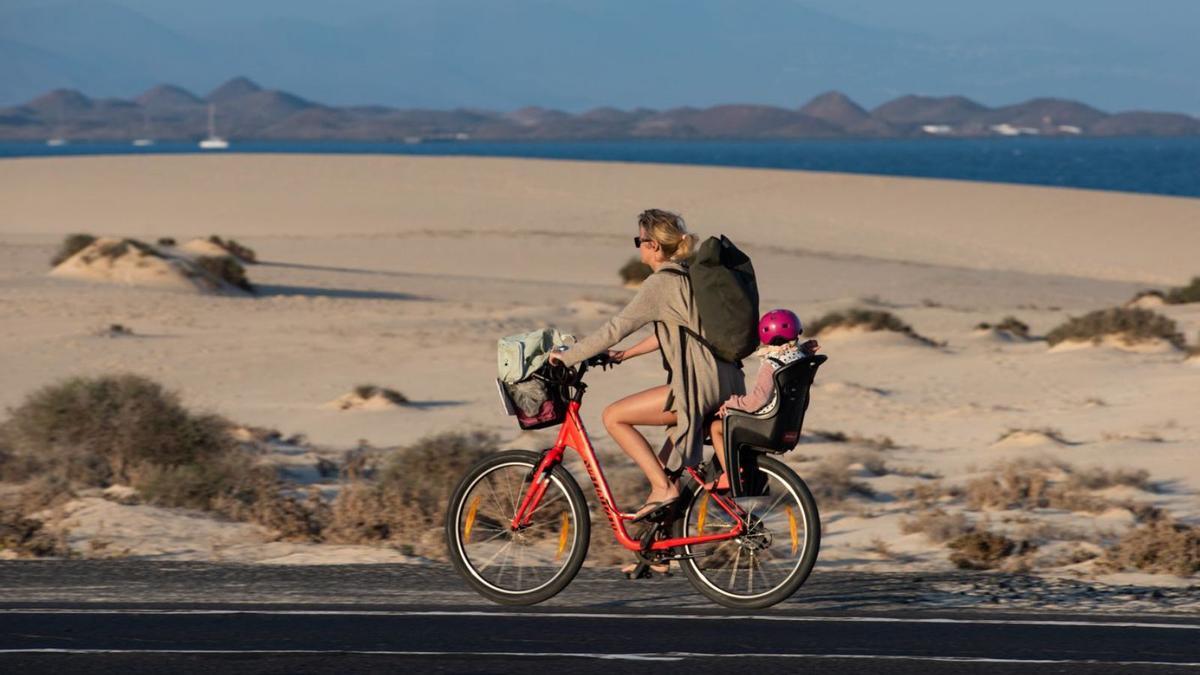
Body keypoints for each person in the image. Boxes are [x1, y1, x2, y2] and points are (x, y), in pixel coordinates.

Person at [548, 209, 745, 524]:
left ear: (653, 245)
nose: (638, 246)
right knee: (669, 465)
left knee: (614, 416)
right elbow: (677, 329)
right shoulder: (689, 274)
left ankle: (662, 489)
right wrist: (626, 355)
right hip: (728, 379)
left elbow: (615, 327)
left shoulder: (661, 283)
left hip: (698, 384)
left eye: (639, 240)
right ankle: (656, 556)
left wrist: (566, 356)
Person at [706, 309, 820, 491]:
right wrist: (806, 349)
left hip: (765, 425)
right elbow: (799, 353)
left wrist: (731, 403)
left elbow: (756, 401)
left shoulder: (771, 364)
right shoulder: (800, 359)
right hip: (786, 425)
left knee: (716, 427)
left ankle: (729, 474)